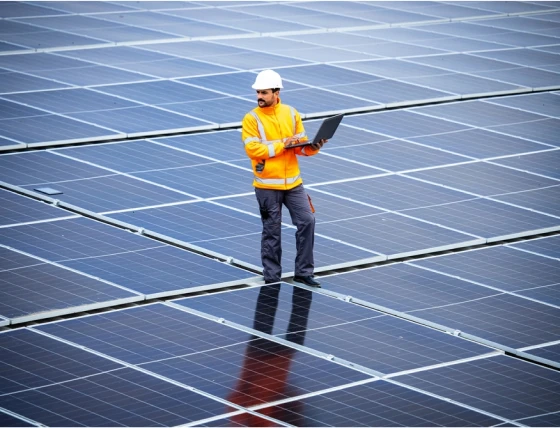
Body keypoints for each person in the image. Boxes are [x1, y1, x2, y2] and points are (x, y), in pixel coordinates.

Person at [242, 69, 326, 288]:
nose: (260, 96)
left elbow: (300, 147)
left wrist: (313, 147)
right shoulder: (251, 119)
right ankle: (272, 277)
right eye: (258, 92)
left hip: (294, 184)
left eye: (264, 92)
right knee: (272, 230)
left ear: (276, 92)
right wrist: (283, 145)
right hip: (267, 185)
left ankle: (304, 272)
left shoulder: (291, 113)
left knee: (307, 221)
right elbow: (253, 149)